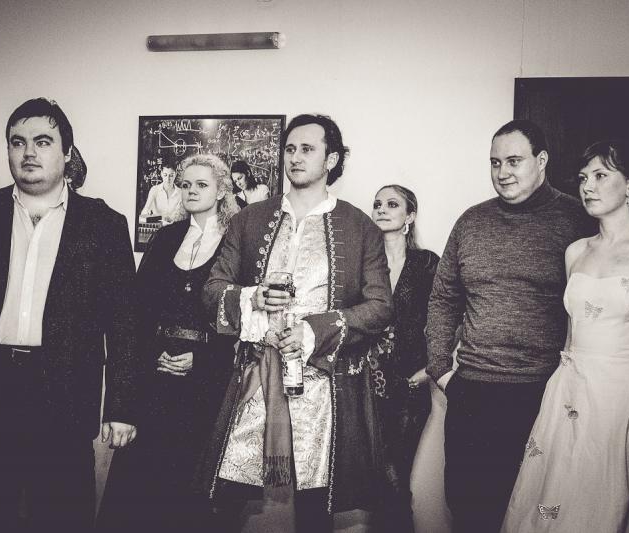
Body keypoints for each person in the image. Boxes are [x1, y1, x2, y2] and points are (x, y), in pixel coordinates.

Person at [0, 98, 139, 532]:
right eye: (17, 142)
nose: (29, 152)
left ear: (67, 152)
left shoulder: (102, 224)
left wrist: (122, 405)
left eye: (43, 141)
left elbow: (125, 324)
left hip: (63, 392)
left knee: (61, 514)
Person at [196, 114, 391, 532]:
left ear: (331, 159)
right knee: (224, 497)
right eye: (289, 149)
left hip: (324, 388)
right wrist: (252, 297)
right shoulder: (249, 219)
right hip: (256, 378)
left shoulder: (361, 227)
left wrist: (314, 331)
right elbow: (212, 289)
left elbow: (379, 306)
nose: (295, 157)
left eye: (307, 149)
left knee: (316, 505)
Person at [426, 119, 594, 533]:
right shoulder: (471, 222)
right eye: (495, 162)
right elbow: (443, 299)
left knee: (534, 512)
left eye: (514, 161)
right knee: (467, 506)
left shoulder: (577, 220)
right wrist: (441, 370)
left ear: (542, 160)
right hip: (472, 389)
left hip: (544, 392)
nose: (502, 172)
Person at [501, 140, 629, 532]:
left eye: (600, 176)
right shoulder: (575, 252)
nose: (587, 187)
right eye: (583, 178)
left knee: (603, 505)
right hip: (568, 391)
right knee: (552, 503)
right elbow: (570, 337)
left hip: (624, 399)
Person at [97, 154, 239, 532]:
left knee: (190, 497)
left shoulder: (237, 243)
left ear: (221, 190)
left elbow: (246, 321)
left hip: (207, 388)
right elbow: (136, 312)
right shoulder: (165, 238)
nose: (191, 191)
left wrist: (203, 359)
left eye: (201, 184)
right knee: (141, 491)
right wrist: (144, 362)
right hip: (155, 382)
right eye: (185, 184)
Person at [369, 184, 439, 533]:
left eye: (392, 204)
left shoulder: (427, 263)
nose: (382, 209)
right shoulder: (364, 265)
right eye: (377, 204)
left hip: (412, 382)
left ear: (410, 216)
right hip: (367, 382)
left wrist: (432, 369)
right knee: (373, 473)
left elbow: (448, 318)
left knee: (401, 470)